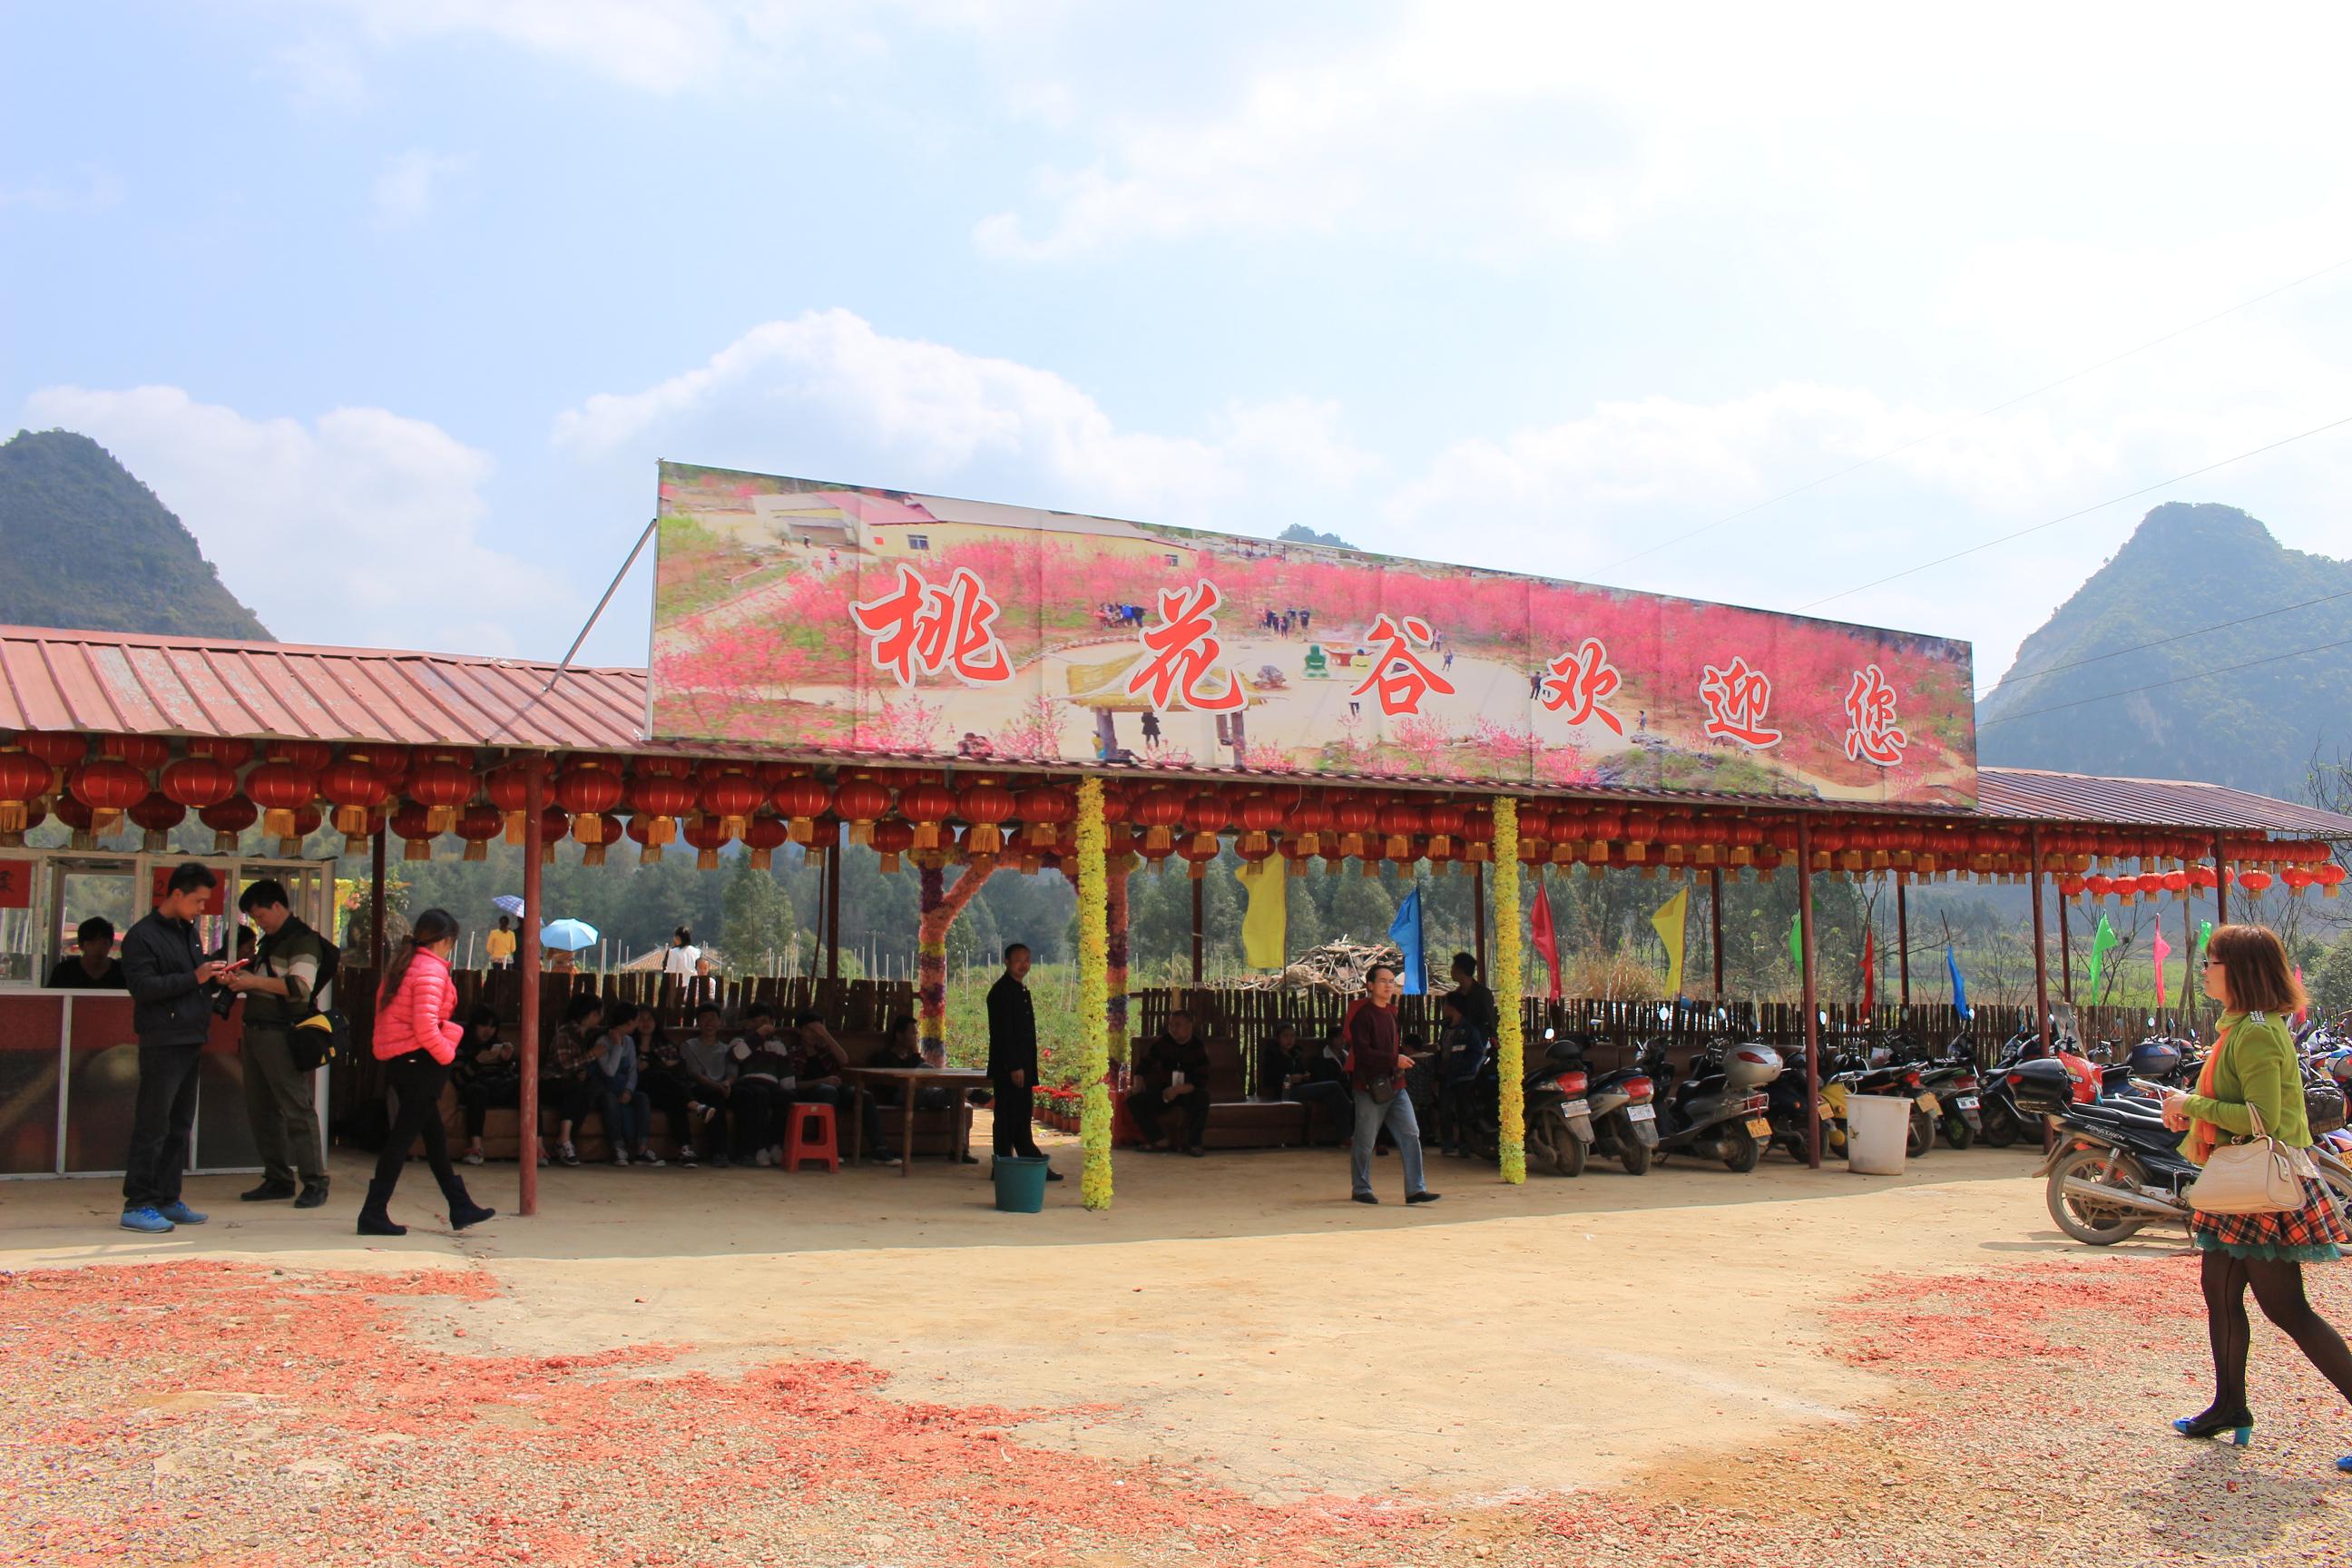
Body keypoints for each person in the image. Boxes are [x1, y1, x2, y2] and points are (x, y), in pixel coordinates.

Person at [2156, 924, 2352, 1468]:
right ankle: (2229, 1406)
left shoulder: (2257, 1033)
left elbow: (2260, 1117)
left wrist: (2190, 1105)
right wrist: (2191, 1105)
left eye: (2211, 962)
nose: (2204, 971)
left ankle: (2231, 1406)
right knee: (2219, 1292)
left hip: (2260, 1184)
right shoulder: (2242, 1027)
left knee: (2286, 1308)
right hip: (2240, 1183)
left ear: (2239, 971)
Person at [361, 908, 495, 1236]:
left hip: (402, 1060)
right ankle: (373, 1212)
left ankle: (459, 1205)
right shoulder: (430, 970)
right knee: (402, 1139)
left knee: (433, 1137)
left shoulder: (403, 965)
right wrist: (448, 1053)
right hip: (420, 1062)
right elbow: (425, 1025)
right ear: (445, 941)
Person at [117, 863, 229, 1233]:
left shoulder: (188, 932)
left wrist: (213, 979)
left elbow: (193, 981)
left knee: (179, 1125)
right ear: (177, 894)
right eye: (198, 901)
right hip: (162, 1039)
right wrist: (195, 977)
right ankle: (138, 1202)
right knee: (153, 1123)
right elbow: (143, 988)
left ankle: (167, 1197)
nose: (202, 908)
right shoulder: (141, 937)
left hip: (191, 1036)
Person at [221, 878, 331, 1208]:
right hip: (256, 1032)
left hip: (282, 1033)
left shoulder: (302, 940)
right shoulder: (271, 942)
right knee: (261, 1110)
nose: (260, 924)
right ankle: (278, 1177)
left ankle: (315, 1181)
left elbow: (300, 988)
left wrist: (253, 982)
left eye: (261, 916)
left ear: (278, 906)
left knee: (297, 1108)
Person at [1344, 964, 1438, 1207]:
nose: (1388, 985)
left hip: (1395, 1084)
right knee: (1365, 1140)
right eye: (1383, 981)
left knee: (1410, 1134)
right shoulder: (1363, 1016)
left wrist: (1396, 1063)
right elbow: (1363, 1053)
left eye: (1391, 981)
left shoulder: (1391, 1012)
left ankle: (1416, 1189)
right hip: (1369, 1087)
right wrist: (1393, 1059)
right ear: (1370, 985)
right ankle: (1361, 1188)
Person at [985, 943, 1061, 1181]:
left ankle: (1027, 1163)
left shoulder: (1019, 989)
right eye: (1018, 960)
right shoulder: (1001, 992)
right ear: (1007, 962)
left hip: (1021, 1066)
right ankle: (1005, 1165)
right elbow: (1004, 1034)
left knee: (1019, 1118)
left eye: (1027, 960)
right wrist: (1014, 1066)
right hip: (1010, 1068)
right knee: (1007, 1118)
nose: (1024, 965)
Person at [788, 1010, 898, 1166]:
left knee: (864, 1096)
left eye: (818, 1030)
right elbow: (793, 1084)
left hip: (836, 1090)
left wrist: (826, 1035)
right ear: (799, 1030)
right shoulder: (794, 1053)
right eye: (810, 1030)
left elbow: (844, 1060)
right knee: (828, 1091)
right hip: (809, 1093)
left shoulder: (824, 1050)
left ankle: (880, 1149)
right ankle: (830, 1149)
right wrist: (822, 1081)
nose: (814, 1034)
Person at [1128, 1011, 1212, 1156]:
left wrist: (1178, 1090)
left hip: (1187, 1092)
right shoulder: (1163, 1042)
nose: (1173, 1029)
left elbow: (1201, 1079)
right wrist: (1137, 1085)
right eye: (1171, 1025)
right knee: (1134, 1100)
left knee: (1203, 1097)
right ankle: (1158, 1140)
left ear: (1189, 1026)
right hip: (1165, 1092)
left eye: (1178, 1025)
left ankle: (1195, 1144)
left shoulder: (1198, 1046)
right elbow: (1143, 1066)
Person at [593, 1003, 662, 1166]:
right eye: (637, 1019)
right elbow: (610, 1071)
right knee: (609, 1100)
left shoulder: (629, 1041)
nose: (638, 1023)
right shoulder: (603, 1041)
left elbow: (632, 1070)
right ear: (629, 1022)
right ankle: (618, 1147)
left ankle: (642, 1148)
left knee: (642, 1098)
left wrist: (629, 1090)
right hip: (606, 1089)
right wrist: (617, 1045)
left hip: (623, 1088)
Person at [452, 1004, 521, 1166]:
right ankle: (476, 1148)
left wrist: (508, 1061)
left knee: (526, 1088)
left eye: (492, 1027)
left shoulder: (497, 1045)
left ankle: (538, 1147)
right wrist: (477, 1062)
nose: (488, 1031)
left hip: (499, 1087)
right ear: (474, 1026)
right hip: (476, 1089)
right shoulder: (462, 1046)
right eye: (483, 1025)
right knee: (477, 1090)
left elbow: (511, 1074)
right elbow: (458, 1080)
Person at [729, 1004, 797, 1165]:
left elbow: (786, 1072)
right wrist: (758, 1035)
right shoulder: (740, 1040)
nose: (764, 1025)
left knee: (786, 1097)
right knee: (760, 1095)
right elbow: (736, 1056)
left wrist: (791, 1091)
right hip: (748, 1083)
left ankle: (776, 1145)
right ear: (749, 1023)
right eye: (758, 1021)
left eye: (766, 1021)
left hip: (772, 1085)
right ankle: (760, 1148)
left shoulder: (777, 1044)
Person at [543, 992, 604, 1166]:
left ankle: (565, 1139)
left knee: (586, 1092)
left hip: (572, 1085)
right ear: (586, 1014)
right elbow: (564, 1065)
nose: (600, 1018)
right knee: (576, 1090)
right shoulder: (565, 1033)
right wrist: (591, 1055)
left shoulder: (589, 1035)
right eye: (597, 1013)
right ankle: (563, 1141)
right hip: (551, 1082)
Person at [633, 1004, 697, 1165]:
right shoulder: (629, 1044)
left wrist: (654, 1065)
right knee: (662, 1075)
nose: (646, 1022)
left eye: (650, 1018)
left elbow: (678, 1070)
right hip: (638, 1090)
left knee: (675, 1100)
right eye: (641, 1019)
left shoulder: (664, 1045)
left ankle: (685, 1149)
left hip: (661, 1092)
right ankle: (695, 1105)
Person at [680, 1001, 739, 1166]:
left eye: (713, 1018)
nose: (709, 1022)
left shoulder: (726, 1049)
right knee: (714, 1097)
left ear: (720, 1022)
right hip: (700, 1088)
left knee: (747, 1096)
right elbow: (694, 1073)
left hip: (724, 1087)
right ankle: (719, 1152)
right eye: (704, 1018)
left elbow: (732, 1072)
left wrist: (727, 1083)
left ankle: (748, 1151)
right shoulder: (688, 1046)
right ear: (698, 1022)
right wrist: (718, 1087)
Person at [1433, 993, 1489, 1158]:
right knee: (1444, 1110)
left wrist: (1464, 1068)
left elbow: (1477, 1052)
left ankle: (1465, 1145)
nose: (1443, 1008)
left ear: (1453, 1007)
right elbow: (1441, 1051)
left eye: (1445, 1004)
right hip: (1446, 1077)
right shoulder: (1445, 1028)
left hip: (1463, 1079)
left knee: (1463, 1112)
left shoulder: (1469, 1030)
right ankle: (1447, 1143)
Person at [1283, 1029, 1352, 1145]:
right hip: (1287, 1091)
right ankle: (1351, 1110)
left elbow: (1304, 1073)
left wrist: (1305, 1075)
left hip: (1305, 1087)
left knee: (1334, 1099)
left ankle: (1346, 1138)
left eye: (1292, 1036)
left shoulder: (1296, 1053)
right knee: (1334, 1086)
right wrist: (1289, 1079)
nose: (1289, 1040)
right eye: (1285, 1036)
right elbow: (1273, 1079)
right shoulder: (1274, 1055)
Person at [46, 916, 124, 988]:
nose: (98, 948)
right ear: (81, 945)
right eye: (92, 943)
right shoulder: (64, 971)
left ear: (111, 944)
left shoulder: (122, 972)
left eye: (103, 943)